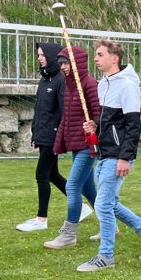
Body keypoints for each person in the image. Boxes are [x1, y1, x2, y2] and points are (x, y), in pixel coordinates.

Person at [77, 39, 141, 271]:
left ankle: (106, 256)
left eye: (100, 54)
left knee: (103, 205)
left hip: (118, 154)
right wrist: (95, 124)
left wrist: (125, 157)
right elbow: (110, 120)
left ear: (114, 58)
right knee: (110, 203)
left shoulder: (127, 85)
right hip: (105, 152)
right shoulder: (103, 84)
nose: (95, 58)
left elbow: (133, 125)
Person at [44, 47, 98, 249]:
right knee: (87, 188)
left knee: (72, 186)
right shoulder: (70, 87)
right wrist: (60, 142)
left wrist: (94, 124)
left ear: (77, 63)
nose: (63, 67)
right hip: (76, 144)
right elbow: (67, 119)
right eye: (61, 64)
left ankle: (69, 234)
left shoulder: (90, 85)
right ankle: (109, 225)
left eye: (66, 63)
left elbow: (99, 115)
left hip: (87, 145)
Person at [17, 42, 69, 232]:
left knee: (42, 175)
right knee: (53, 174)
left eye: (42, 55)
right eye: (38, 55)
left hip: (53, 136)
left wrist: (61, 136)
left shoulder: (59, 80)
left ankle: (41, 219)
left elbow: (64, 112)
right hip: (42, 134)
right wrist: (34, 133)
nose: (39, 58)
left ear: (52, 56)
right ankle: (79, 206)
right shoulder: (45, 79)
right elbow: (39, 110)